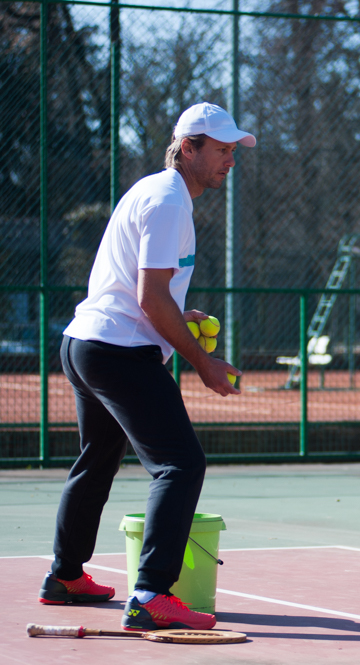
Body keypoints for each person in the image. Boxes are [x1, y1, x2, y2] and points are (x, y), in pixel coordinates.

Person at [38, 103, 255, 631]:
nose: (230, 160)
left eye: (232, 151)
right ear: (188, 148)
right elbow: (150, 296)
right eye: (221, 150)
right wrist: (202, 362)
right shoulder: (168, 202)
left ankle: (65, 577)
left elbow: (145, 294)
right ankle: (152, 595)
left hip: (86, 344)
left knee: (98, 459)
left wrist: (179, 315)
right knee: (180, 464)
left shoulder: (155, 191)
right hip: (117, 352)